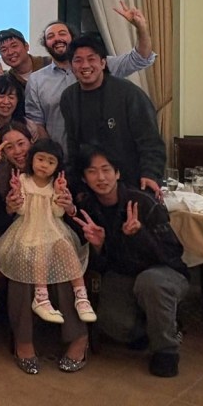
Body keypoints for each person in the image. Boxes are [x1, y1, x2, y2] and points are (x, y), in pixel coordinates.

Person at [0, 123, 89, 374]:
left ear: (32, 141)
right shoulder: (1, 173)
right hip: (10, 236)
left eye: (21, 143)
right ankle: (24, 342)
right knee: (24, 258)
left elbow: (70, 214)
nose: (17, 151)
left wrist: (69, 207)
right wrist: (9, 208)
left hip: (53, 232)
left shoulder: (56, 170)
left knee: (62, 257)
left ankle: (78, 337)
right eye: (9, 146)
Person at [71, 146, 188, 378]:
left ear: (118, 173)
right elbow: (102, 266)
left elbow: (172, 254)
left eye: (106, 170)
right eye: (93, 172)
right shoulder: (89, 208)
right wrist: (99, 245)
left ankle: (166, 350)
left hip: (165, 273)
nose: (101, 177)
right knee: (112, 325)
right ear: (85, 178)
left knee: (150, 283)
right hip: (124, 274)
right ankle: (157, 324)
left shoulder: (143, 202)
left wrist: (139, 234)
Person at [0, 139, 95, 326]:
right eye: (40, 159)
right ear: (31, 159)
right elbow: (21, 211)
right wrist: (17, 192)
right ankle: (41, 297)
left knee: (67, 247)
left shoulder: (55, 184)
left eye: (50, 162)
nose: (44, 165)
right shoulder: (23, 180)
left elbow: (58, 213)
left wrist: (58, 193)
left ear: (57, 166)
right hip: (28, 229)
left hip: (52, 228)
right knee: (40, 249)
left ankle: (81, 297)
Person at [25, 5, 156, 149]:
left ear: (72, 38)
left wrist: (141, 28)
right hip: (60, 161)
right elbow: (36, 123)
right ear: (45, 44)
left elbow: (140, 58)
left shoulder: (99, 65)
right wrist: (51, 156)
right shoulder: (36, 80)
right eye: (50, 36)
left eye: (62, 33)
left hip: (103, 161)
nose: (57, 39)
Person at [60, 35, 166, 193]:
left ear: (103, 63)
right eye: (78, 60)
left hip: (132, 181)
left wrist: (150, 174)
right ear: (71, 66)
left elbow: (150, 141)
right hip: (91, 186)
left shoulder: (128, 93)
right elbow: (73, 144)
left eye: (91, 59)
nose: (85, 65)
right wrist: (73, 184)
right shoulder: (69, 97)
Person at [0, 74, 32, 147]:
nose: (6, 102)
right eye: (1, 96)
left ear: (18, 100)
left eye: (11, 97)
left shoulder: (29, 127)